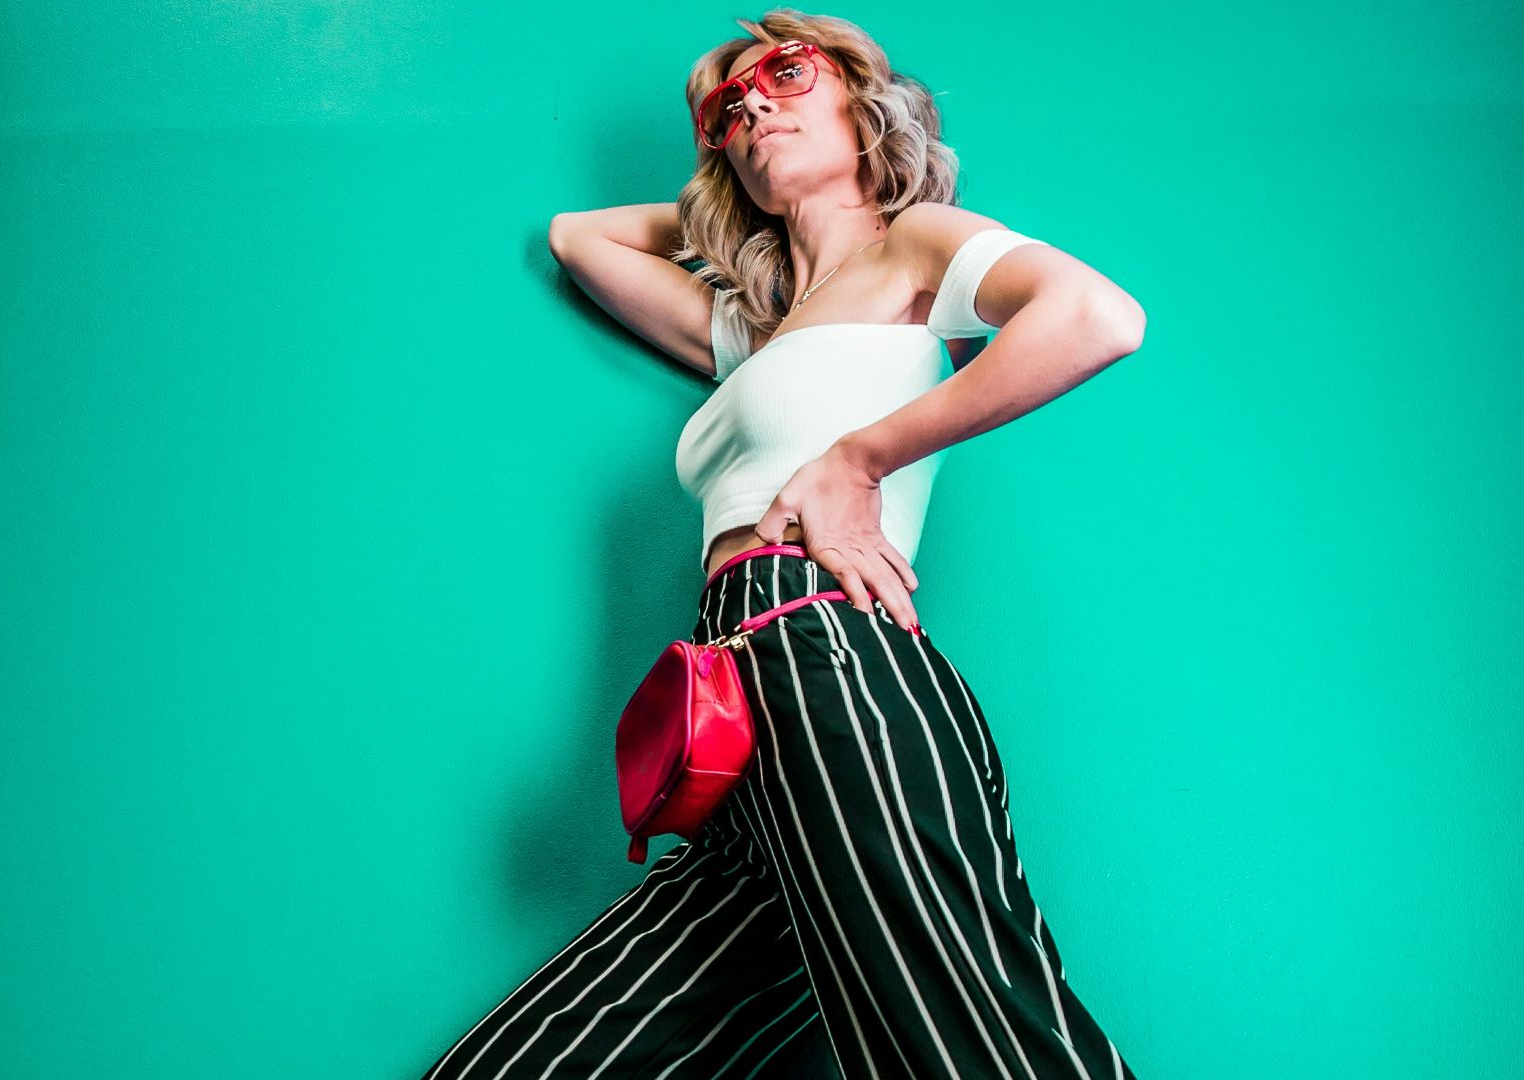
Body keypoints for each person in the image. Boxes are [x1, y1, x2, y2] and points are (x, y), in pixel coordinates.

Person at [422, 9, 1147, 1078]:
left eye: (788, 75)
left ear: (870, 105)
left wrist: (860, 459)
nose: (753, 103)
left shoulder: (914, 248)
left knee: (964, 1042)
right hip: (730, 727)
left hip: (833, 658)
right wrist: (732, 201)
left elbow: (1097, 317)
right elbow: (583, 237)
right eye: (727, 108)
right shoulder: (753, 334)